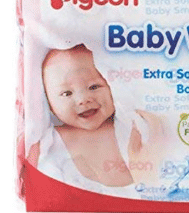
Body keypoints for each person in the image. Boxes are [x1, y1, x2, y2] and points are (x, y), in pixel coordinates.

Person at [28, 44, 163, 194]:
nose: (83, 99)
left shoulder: (132, 125)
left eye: (94, 87)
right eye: (67, 93)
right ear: (48, 102)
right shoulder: (49, 142)